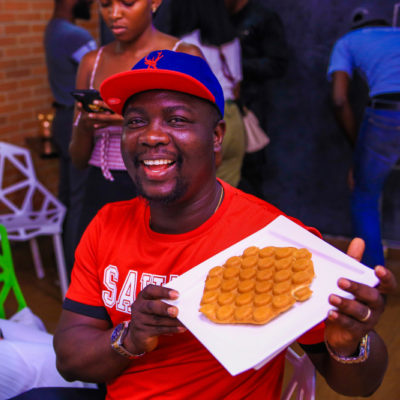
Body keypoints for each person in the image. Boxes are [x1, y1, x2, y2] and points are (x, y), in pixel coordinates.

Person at [53, 50, 396, 398]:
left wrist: (350, 344)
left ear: (217, 136)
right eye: (136, 122)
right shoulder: (107, 224)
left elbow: (362, 385)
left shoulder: (277, 241)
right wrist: (130, 337)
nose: (151, 136)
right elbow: (69, 360)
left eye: (176, 120)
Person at [68, 0, 202, 239]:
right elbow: (78, 160)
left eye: (128, 3)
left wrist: (128, 121)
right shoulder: (92, 62)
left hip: (164, 186)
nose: (114, 14)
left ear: (155, 2)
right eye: (105, 4)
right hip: (103, 188)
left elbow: (202, 140)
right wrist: (85, 127)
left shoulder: (183, 55)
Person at [328, 6, 400, 269]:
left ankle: (373, 278)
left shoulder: (347, 42)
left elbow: (339, 99)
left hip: (386, 114)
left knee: (365, 197)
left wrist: (358, 149)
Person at [44, 0, 97, 273]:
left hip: (61, 120)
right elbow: (102, 75)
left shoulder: (52, 29)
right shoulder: (75, 35)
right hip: (76, 121)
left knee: (68, 197)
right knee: (81, 199)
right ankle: (76, 273)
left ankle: (64, 271)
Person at [169, 0, 246, 187]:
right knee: (229, 191)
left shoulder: (184, 45)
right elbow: (236, 87)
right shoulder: (231, 40)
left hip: (203, 121)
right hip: (233, 118)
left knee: (195, 191)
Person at [225, 0, 288, 198]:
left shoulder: (262, 17)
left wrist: (233, 64)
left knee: (250, 171)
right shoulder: (216, 17)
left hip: (250, 107)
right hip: (220, 106)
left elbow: (278, 64)